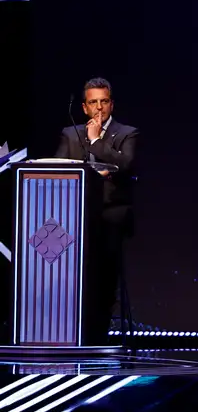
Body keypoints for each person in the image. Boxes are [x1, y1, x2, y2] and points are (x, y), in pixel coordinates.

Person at [54, 77, 139, 345]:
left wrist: (95, 141)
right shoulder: (70, 134)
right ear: (84, 107)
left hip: (109, 215)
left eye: (104, 102)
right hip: (74, 216)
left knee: (102, 277)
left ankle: (96, 336)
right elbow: (59, 170)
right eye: (93, 103)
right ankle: (66, 332)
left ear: (111, 104)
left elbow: (125, 165)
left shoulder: (127, 133)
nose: (99, 108)